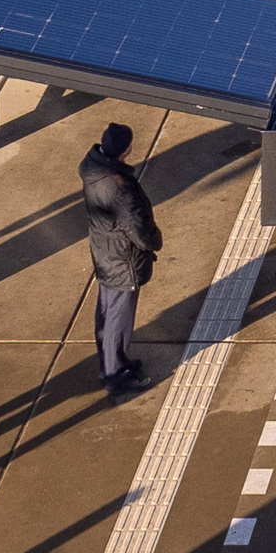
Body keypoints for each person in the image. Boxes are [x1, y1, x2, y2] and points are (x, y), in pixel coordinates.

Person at [80, 125, 160, 399]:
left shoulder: (91, 169)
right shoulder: (118, 186)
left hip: (105, 252)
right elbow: (136, 227)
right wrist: (154, 241)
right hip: (123, 258)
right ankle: (115, 374)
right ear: (126, 150)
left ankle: (114, 363)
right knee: (118, 315)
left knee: (106, 308)